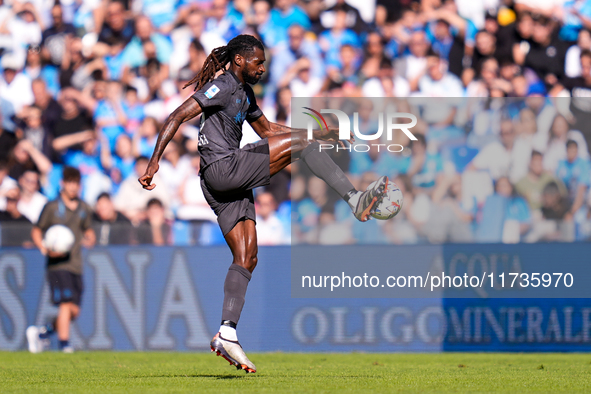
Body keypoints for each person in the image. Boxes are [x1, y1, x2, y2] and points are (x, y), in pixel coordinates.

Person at [138, 34, 390, 373]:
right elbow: (175, 116)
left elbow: (269, 130)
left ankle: (226, 333)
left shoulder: (245, 93)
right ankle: (355, 199)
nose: (262, 67)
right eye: (258, 62)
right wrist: (154, 161)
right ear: (239, 60)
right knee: (305, 144)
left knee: (247, 256)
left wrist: (319, 136)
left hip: (220, 183)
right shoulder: (224, 85)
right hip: (222, 167)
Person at [26, 166, 95, 354]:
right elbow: (36, 230)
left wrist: (90, 238)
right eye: (70, 182)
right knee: (65, 304)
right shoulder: (52, 207)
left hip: (76, 264)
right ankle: (65, 345)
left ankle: (42, 333)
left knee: (74, 311)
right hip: (57, 265)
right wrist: (43, 248)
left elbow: (88, 231)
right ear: (62, 183)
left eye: (76, 183)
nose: (73, 187)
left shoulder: (84, 208)